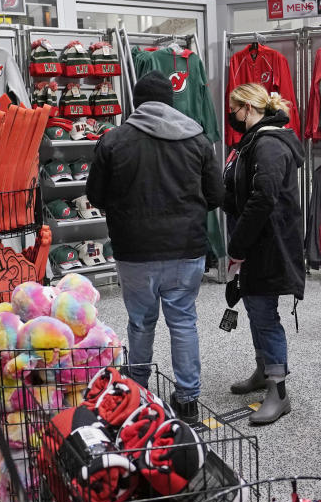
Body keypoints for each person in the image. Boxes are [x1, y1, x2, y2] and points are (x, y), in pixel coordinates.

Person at [86, 70, 223, 423]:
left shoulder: (114, 140)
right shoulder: (197, 140)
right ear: (170, 100)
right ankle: (188, 401)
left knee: (141, 323)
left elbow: (95, 196)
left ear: (136, 101)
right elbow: (216, 195)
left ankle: (137, 393)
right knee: (183, 322)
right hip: (185, 248)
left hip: (134, 251)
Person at [224, 83, 305, 425]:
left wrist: (238, 247)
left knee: (265, 314)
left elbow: (263, 198)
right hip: (258, 240)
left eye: (235, 108)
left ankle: (278, 390)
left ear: (248, 108)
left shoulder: (269, 144)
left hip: (267, 243)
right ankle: (263, 369)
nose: (232, 115)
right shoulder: (254, 141)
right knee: (256, 308)